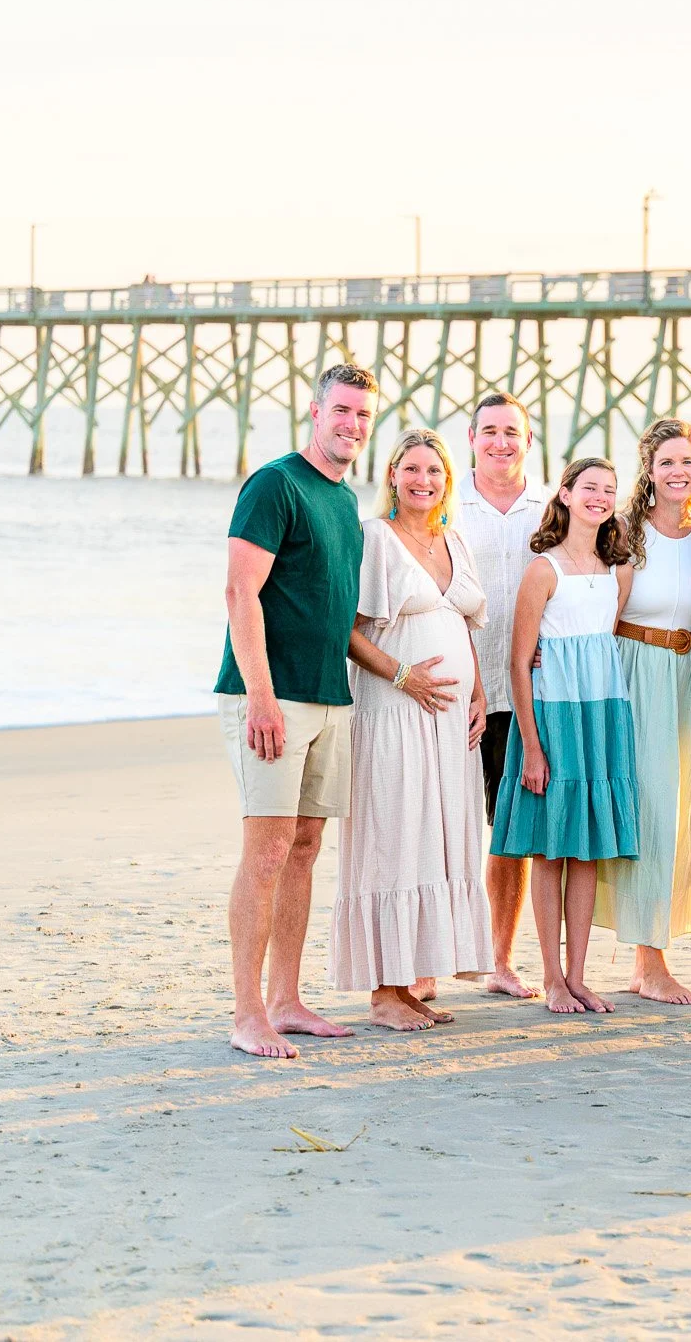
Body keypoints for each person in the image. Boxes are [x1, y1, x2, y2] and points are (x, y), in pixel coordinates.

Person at [216, 361, 375, 1059]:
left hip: (329, 696)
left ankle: (286, 997)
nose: (352, 424)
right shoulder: (275, 484)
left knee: (306, 848)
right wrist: (261, 695)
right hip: (270, 698)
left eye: (364, 415)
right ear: (315, 411)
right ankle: (247, 1011)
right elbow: (239, 593)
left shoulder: (345, 502)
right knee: (268, 849)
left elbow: (336, 612)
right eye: (341, 410)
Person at [336, 431, 496, 1029]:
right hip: (394, 711)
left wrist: (479, 692)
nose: (422, 480)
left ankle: (406, 984)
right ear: (393, 475)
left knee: (437, 838)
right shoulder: (375, 539)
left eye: (433, 470)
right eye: (411, 469)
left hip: (450, 719)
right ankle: (382, 994)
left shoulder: (454, 540)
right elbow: (347, 629)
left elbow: (464, 623)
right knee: (395, 835)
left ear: (447, 479)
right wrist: (403, 675)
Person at [490, 457, 640, 1016]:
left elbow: (601, 644)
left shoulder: (616, 570)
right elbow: (517, 662)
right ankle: (551, 977)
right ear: (566, 495)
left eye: (608, 491)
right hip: (554, 717)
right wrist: (530, 745)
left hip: (602, 714)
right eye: (589, 489)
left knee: (587, 852)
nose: (599, 498)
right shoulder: (542, 570)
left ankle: (578, 976)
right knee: (551, 849)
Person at [594, 419, 691, 1005]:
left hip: (690, 673)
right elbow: (598, 610)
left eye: (687, 462)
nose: (678, 473)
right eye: (667, 462)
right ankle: (651, 961)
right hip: (634, 669)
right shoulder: (624, 531)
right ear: (650, 469)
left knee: (687, 814)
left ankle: (651, 956)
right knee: (649, 811)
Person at [452, 391, 550, 1000]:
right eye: (489, 431)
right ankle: (426, 962)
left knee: (509, 830)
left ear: (529, 441)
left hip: (529, 692)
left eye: (512, 432)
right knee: (443, 826)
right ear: (471, 438)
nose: (500, 442)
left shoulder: (550, 507)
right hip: (457, 686)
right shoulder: (445, 502)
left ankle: (500, 960)